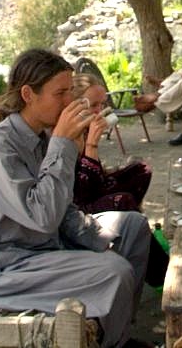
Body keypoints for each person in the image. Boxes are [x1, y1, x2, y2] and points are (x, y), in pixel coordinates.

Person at [0, 49, 152, 348]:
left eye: (70, 92)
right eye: (60, 93)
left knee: (134, 227)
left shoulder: (42, 137)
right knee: (115, 272)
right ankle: (114, 342)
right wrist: (63, 144)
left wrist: (98, 238)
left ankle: (115, 331)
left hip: (46, 247)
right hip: (6, 267)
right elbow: (43, 218)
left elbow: (64, 208)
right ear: (28, 94)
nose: (68, 102)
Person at [71, 72, 169, 288]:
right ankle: (159, 273)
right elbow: (84, 190)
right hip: (78, 207)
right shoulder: (69, 133)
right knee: (123, 201)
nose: (100, 110)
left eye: (102, 104)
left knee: (140, 170)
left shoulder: (87, 128)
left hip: (93, 186)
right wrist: (92, 146)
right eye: (94, 105)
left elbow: (96, 176)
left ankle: (135, 233)